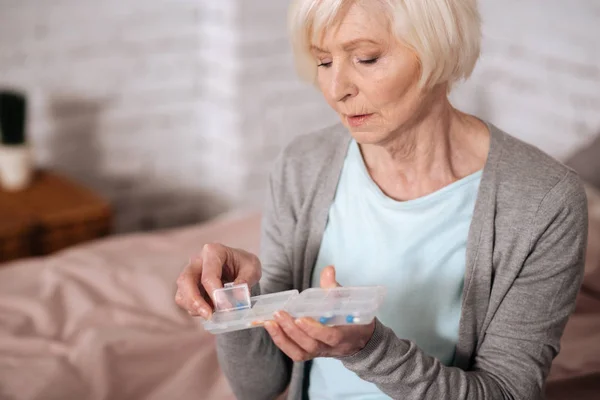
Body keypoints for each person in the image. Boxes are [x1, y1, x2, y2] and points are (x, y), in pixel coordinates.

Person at [175, 0, 588, 399]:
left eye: (366, 58)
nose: (336, 89)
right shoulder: (303, 166)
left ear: (436, 50)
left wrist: (369, 349)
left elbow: (505, 393)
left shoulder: (544, 201)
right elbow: (260, 385)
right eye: (323, 61)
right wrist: (239, 300)